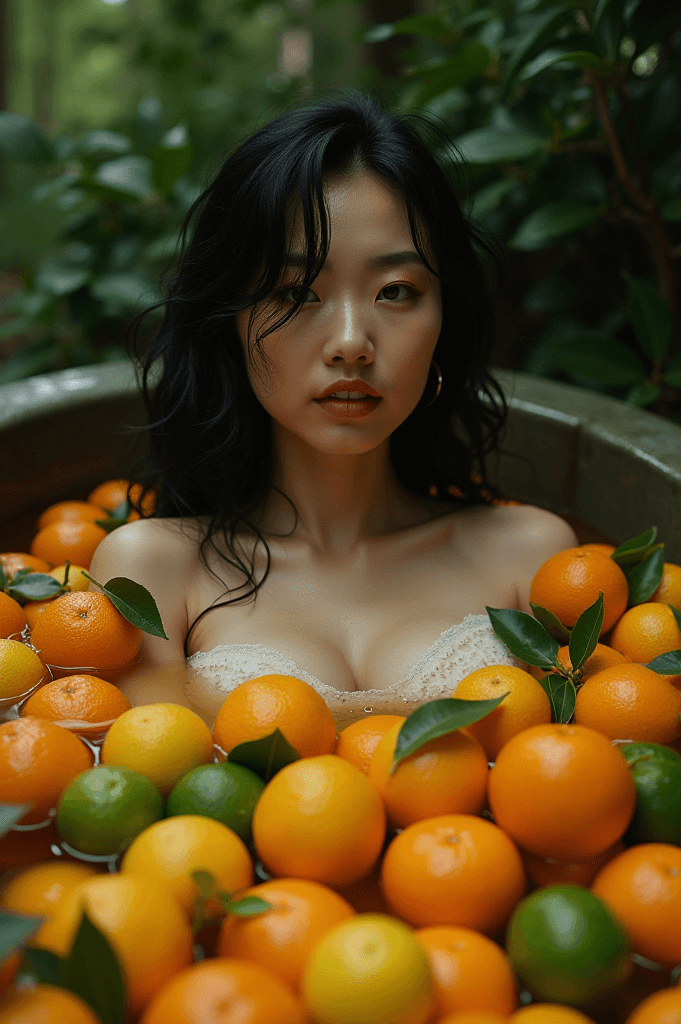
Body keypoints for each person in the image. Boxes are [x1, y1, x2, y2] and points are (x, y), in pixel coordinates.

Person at [89, 92, 576, 724]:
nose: (351, 342)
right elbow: (142, 775)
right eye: (297, 291)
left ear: (443, 323)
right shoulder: (152, 570)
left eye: (395, 291)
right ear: (230, 323)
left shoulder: (531, 556)